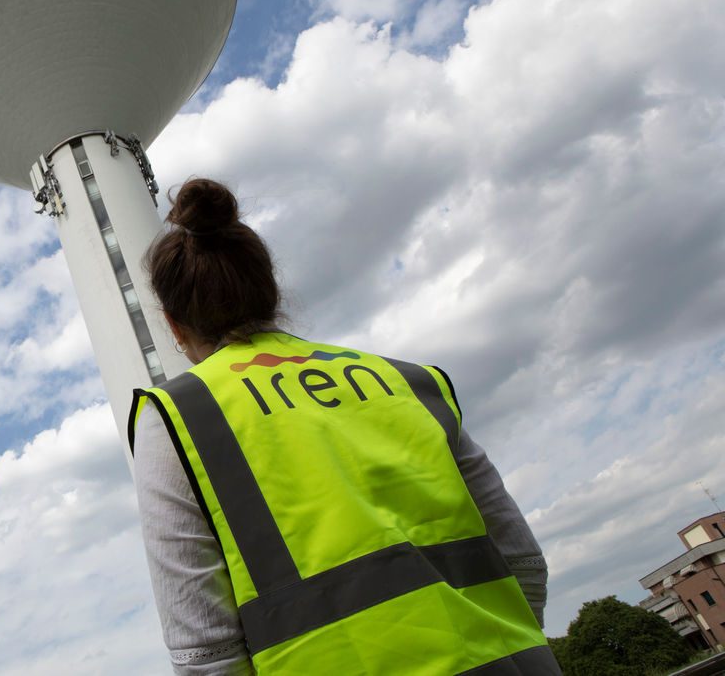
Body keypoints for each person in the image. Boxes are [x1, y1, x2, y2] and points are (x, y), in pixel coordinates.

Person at [130, 178, 559, 675]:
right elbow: (522, 560)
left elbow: (205, 652)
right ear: (270, 292)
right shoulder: (406, 380)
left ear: (174, 325)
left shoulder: (177, 417)